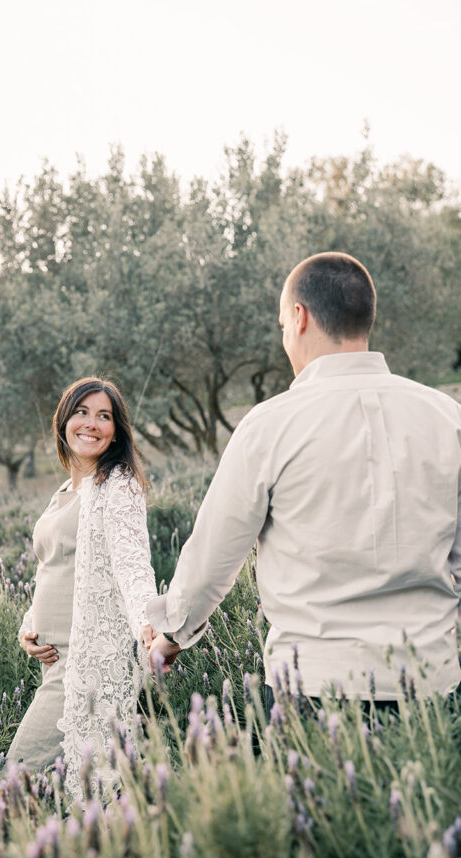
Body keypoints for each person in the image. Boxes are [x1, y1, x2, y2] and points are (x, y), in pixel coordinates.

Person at [148, 252, 461, 707]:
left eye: (281, 326)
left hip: (314, 689)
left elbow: (212, 560)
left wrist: (171, 634)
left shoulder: (270, 426)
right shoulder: (448, 419)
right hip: (430, 686)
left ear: (299, 317)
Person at [7, 377, 157, 798]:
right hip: (52, 660)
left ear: (116, 431)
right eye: (82, 412)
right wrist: (30, 626)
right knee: (80, 789)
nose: (92, 424)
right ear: (64, 420)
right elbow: (53, 567)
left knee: (17, 777)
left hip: (85, 660)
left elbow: (132, 562)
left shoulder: (118, 486)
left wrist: (148, 621)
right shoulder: (65, 490)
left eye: (104, 416)